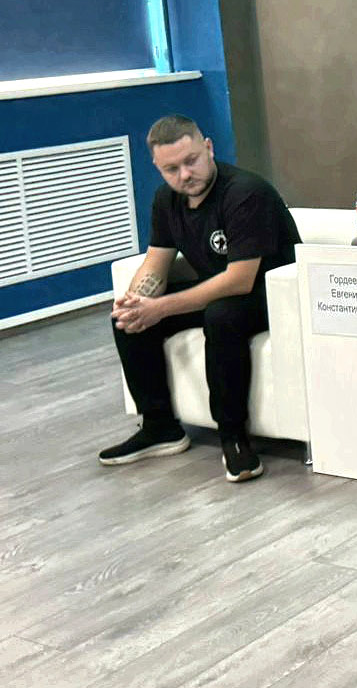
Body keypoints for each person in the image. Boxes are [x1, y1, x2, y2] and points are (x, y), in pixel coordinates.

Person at [99, 115, 301, 483]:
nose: (185, 175)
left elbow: (240, 280)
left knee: (222, 316)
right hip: (219, 290)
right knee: (126, 320)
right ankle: (160, 426)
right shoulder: (166, 200)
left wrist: (161, 307)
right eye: (171, 169)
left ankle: (233, 437)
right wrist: (136, 303)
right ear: (158, 168)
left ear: (208, 148)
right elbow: (156, 264)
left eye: (191, 161)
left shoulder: (245, 193)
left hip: (273, 292)